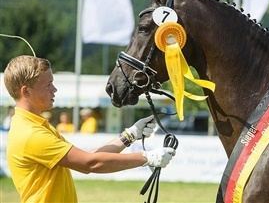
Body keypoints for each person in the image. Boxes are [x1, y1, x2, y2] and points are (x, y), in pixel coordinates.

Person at [4, 55, 175, 203]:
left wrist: (131, 134)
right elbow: (90, 164)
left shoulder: (33, 125)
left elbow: (90, 158)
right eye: (48, 84)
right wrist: (146, 157)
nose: (54, 89)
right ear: (26, 92)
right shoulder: (31, 134)